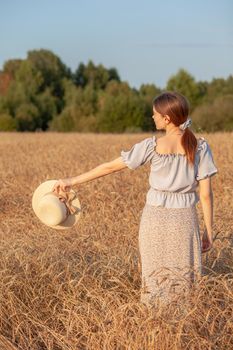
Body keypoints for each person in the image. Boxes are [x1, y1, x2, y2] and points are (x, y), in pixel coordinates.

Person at [52, 91, 218, 307]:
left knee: (154, 279)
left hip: (154, 220)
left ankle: (155, 328)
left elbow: (110, 167)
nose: (153, 118)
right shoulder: (200, 147)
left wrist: (72, 180)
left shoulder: (151, 146)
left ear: (167, 119)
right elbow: (205, 195)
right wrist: (209, 232)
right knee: (185, 279)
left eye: (155, 114)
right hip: (184, 220)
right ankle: (184, 328)